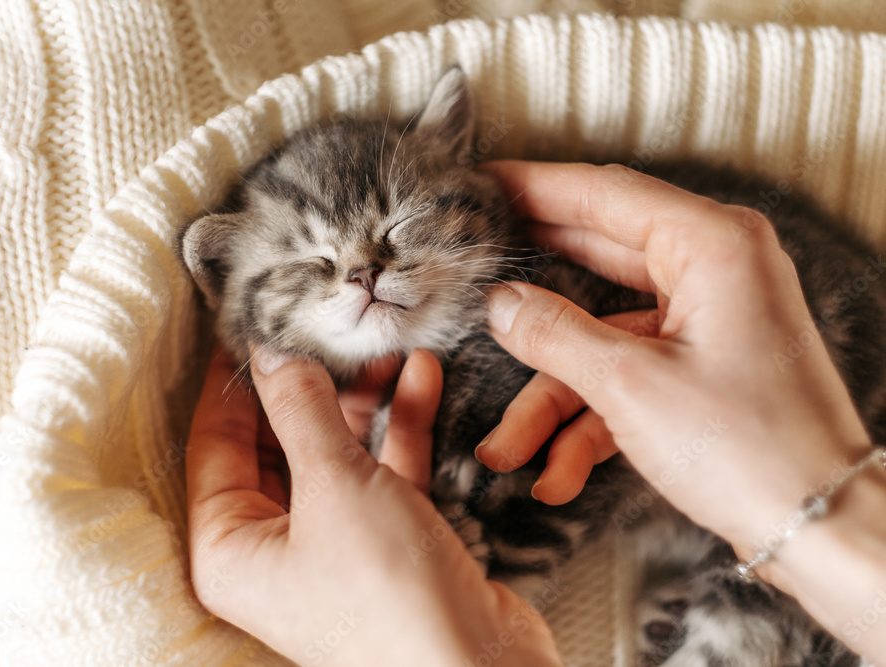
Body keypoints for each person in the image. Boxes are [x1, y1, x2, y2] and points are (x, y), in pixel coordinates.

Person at [186, 161, 886, 666]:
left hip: (850, 424)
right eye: (305, 264)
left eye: (400, 228)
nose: (364, 272)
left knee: (743, 639)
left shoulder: (508, 326)